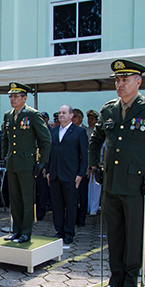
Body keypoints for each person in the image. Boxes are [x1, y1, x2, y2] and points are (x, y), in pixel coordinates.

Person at [89, 59, 145, 287]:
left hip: (136, 185)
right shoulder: (109, 109)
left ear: (138, 82)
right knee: (114, 233)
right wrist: (94, 164)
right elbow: (96, 139)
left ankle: (130, 281)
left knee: (134, 234)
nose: (120, 84)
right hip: (111, 182)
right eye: (117, 80)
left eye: (125, 80)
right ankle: (115, 279)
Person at [1, 82, 51, 243]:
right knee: (14, 198)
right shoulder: (8, 115)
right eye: (11, 96)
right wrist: (5, 157)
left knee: (27, 198)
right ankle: (16, 230)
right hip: (13, 163)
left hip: (27, 163)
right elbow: (6, 139)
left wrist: (42, 162)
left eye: (16, 96)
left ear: (24, 98)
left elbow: (46, 140)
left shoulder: (32, 115)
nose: (12, 99)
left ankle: (26, 232)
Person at [47, 105, 88, 245]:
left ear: (71, 115)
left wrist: (81, 174)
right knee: (57, 205)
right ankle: (59, 231)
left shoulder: (79, 132)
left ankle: (69, 233)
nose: (61, 115)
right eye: (59, 113)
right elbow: (49, 153)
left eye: (64, 113)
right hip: (54, 174)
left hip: (71, 175)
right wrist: (47, 171)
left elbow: (84, 155)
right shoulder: (53, 131)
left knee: (70, 205)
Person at [86, 110, 102, 215]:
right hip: (87, 161)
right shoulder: (85, 131)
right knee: (88, 187)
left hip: (97, 161)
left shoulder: (100, 132)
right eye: (89, 118)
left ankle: (94, 208)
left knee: (96, 186)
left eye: (92, 118)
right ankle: (89, 207)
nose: (90, 120)